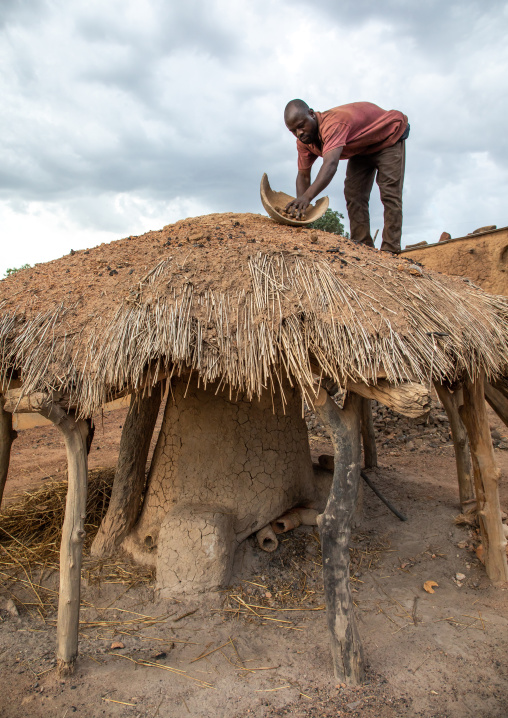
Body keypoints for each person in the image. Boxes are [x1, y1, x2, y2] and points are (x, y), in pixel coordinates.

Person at [284, 100, 409, 254]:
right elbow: (303, 175)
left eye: (301, 125)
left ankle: (391, 250)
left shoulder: (333, 125)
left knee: (390, 193)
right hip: (361, 146)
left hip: (388, 135)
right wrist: (301, 212)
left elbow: (330, 164)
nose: (299, 133)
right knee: (354, 193)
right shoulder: (304, 141)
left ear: (311, 114)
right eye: (293, 130)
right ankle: (363, 247)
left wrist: (307, 197)